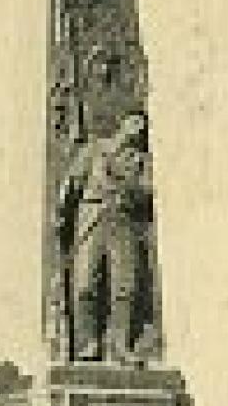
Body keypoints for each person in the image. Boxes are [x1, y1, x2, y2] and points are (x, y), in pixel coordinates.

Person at [58, 111, 155, 363]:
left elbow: (148, 195)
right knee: (85, 284)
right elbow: (72, 184)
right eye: (134, 123)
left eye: (142, 127)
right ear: (122, 123)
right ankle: (87, 345)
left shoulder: (140, 160)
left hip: (123, 221)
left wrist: (131, 190)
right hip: (92, 217)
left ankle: (121, 346)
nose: (137, 130)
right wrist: (62, 216)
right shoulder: (95, 148)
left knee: (125, 286)